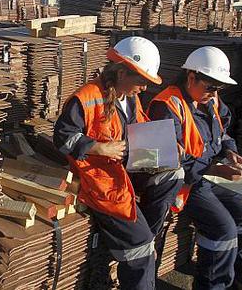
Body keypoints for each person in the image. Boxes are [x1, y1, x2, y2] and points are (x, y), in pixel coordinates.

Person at [53, 37, 183, 290]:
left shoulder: (129, 97)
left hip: (125, 166)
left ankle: (139, 236)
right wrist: (97, 147)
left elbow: (137, 127)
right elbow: (62, 137)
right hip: (101, 179)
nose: (145, 88)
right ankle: (139, 242)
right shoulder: (87, 97)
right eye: (142, 81)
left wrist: (166, 144)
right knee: (141, 248)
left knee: (173, 173)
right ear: (122, 72)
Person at [147, 46, 242, 290]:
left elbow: (225, 132)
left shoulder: (211, 100)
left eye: (219, 88)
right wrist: (215, 169)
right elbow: (168, 160)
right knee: (223, 229)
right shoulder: (166, 106)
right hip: (187, 182)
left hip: (213, 174)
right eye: (210, 86)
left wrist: (231, 151)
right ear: (191, 77)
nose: (215, 92)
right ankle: (213, 286)